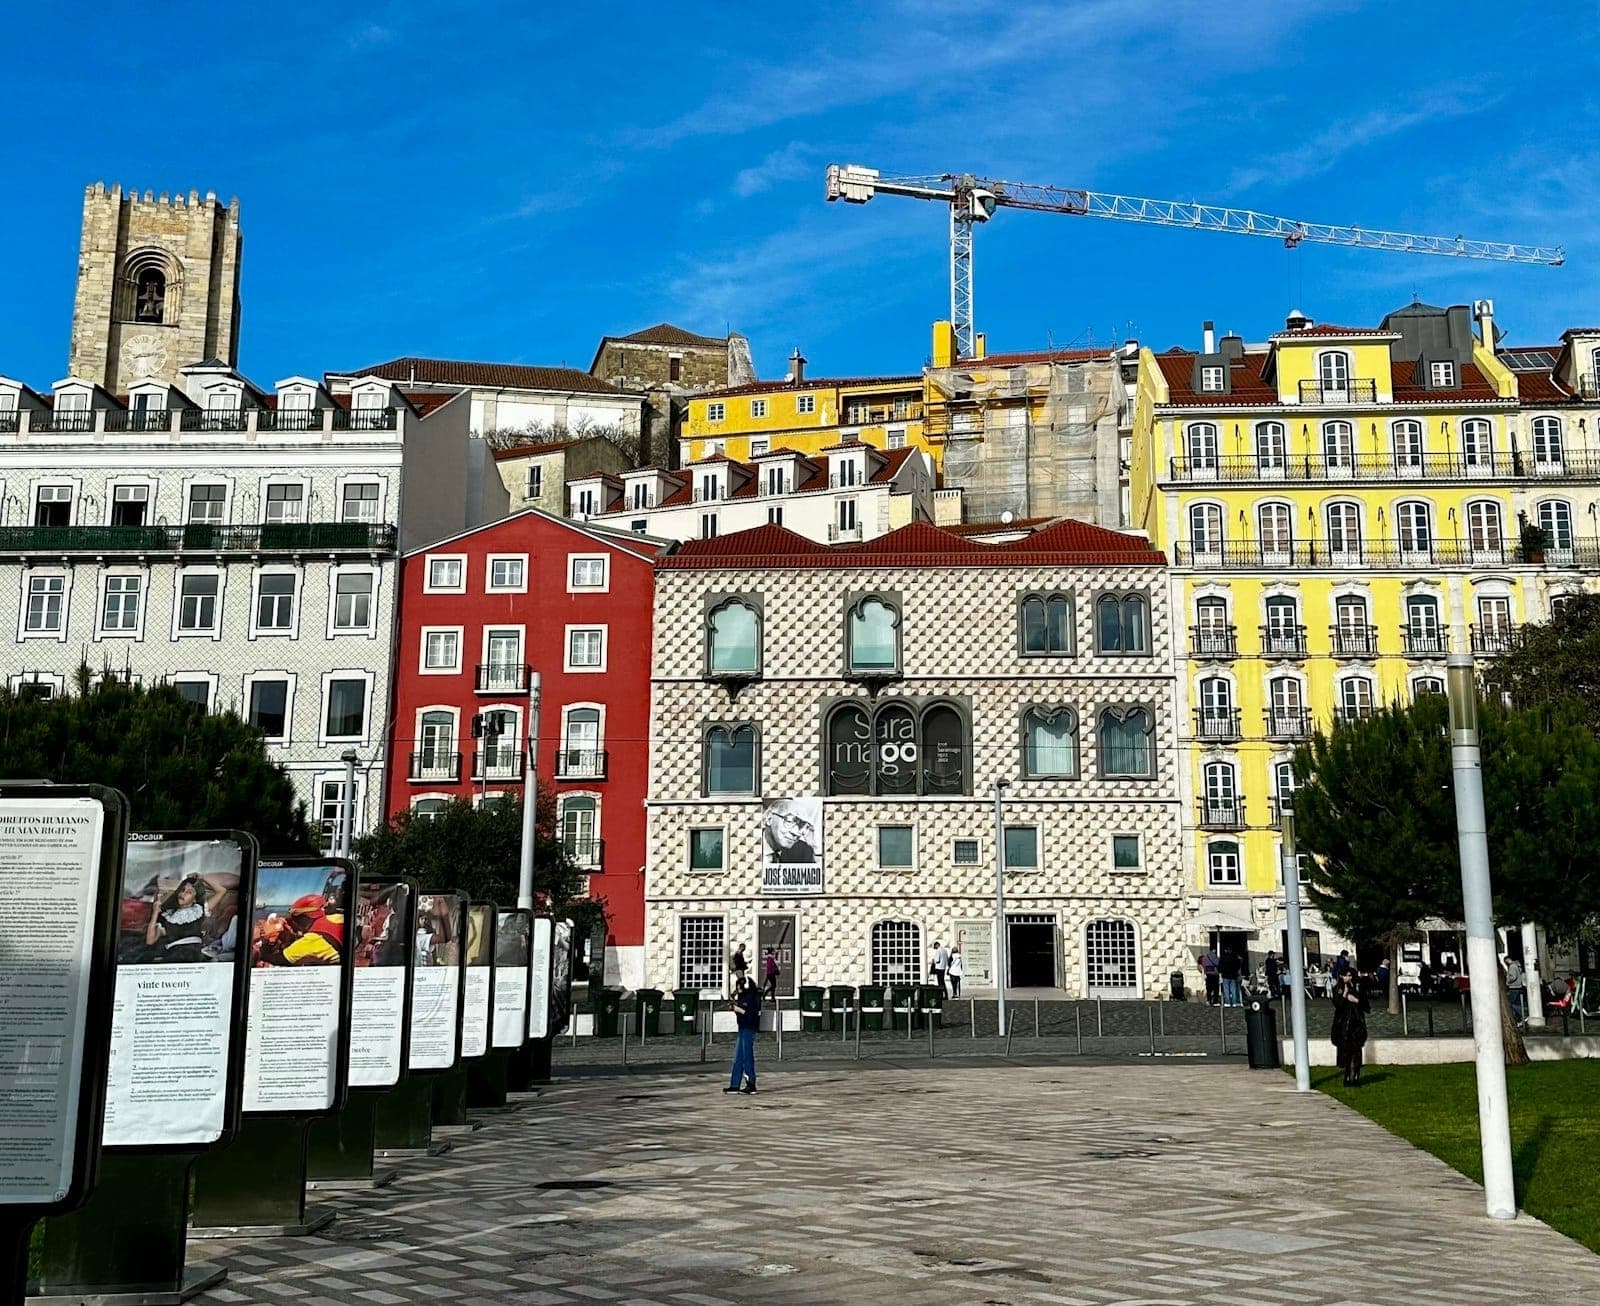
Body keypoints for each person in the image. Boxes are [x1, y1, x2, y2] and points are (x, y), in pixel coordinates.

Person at [145, 876, 209, 962]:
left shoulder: (199, 911)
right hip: (176, 955)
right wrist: (155, 912)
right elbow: (150, 941)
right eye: (182, 890)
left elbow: (221, 891)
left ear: (194, 899)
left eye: (189, 892)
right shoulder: (168, 916)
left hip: (195, 954)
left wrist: (202, 877)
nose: (183, 894)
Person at [1330, 970, 1370, 1085]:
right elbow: (1338, 1004)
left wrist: (1356, 1000)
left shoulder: (1356, 988)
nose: (1349, 978)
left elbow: (1366, 1006)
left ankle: (1355, 1076)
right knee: (1346, 1051)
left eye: (1350, 976)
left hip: (1356, 1023)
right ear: (1341, 976)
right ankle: (1348, 1076)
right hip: (1344, 1025)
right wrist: (1344, 994)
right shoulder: (1338, 989)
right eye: (1347, 976)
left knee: (1356, 1051)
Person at [724, 976, 761, 1095]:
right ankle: (735, 1084)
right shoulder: (742, 997)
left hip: (749, 1028)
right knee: (738, 1057)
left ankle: (751, 1083)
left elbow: (750, 1014)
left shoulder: (751, 998)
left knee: (747, 1056)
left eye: (739, 987)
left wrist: (737, 1009)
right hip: (742, 1027)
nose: (738, 990)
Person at [762, 801, 817, 865]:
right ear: (769, 819)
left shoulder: (804, 851)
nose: (796, 833)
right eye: (789, 821)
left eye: (802, 825)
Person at [1504, 955, 1525, 1021]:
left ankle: (1521, 1015)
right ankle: (1520, 1018)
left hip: (1513, 987)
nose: (1505, 962)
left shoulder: (1512, 966)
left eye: (1505, 961)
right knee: (1517, 1003)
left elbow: (1513, 977)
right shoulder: (1517, 965)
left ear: (1508, 959)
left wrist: (1508, 982)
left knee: (1511, 1003)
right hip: (1518, 986)